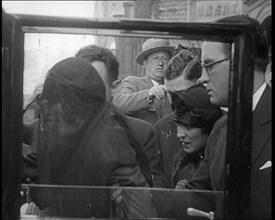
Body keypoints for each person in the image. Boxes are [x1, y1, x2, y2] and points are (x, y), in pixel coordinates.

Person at [30, 57, 156, 218]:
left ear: (71, 107)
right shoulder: (75, 130)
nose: (49, 116)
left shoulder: (107, 135)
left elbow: (140, 208)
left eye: (55, 104)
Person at [196, 15, 271, 219]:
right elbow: (199, 196)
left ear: (241, 60)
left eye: (209, 65)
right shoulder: (221, 128)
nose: (202, 78)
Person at [75, 44, 167, 188]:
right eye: (155, 58)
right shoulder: (60, 130)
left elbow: (157, 185)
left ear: (111, 88)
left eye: (96, 84)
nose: (87, 92)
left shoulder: (141, 133)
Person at [154, 45, 203, 188]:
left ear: (199, 84)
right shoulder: (161, 129)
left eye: (180, 93)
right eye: (169, 94)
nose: (173, 101)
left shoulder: (220, 125)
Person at [170, 84, 222, 189]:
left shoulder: (221, 163)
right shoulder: (181, 160)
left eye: (188, 127)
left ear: (208, 127)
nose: (179, 134)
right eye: (178, 126)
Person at [112, 38, 174, 125]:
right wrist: (148, 94)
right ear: (145, 63)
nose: (160, 63)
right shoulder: (133, 82)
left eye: (164, 58)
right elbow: (119, 104)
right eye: (155, 58)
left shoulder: (174, 88)